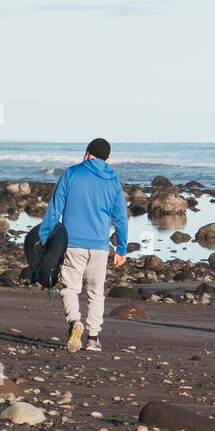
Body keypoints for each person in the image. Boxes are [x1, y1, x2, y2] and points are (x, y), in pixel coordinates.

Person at [37, 138, 129, 353]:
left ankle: (74, 322)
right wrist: (121, 248)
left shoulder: (71, 173)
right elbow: (121, 217)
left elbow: (55, 208)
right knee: (96, 293)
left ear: (88, 153)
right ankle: (93, 339)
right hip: (100, 245)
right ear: (106, 158)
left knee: (69, 288)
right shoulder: (113, 180)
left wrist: (44, 236)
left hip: (73, 243)